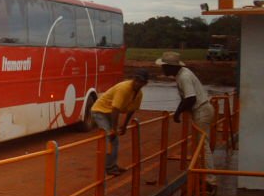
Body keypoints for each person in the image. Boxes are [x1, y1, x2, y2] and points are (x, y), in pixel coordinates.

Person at [156, 51, 216, 185]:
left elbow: (190, 98)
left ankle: (210, 180)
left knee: (202, 145)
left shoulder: (184, 77)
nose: (162, 69)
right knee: (201, 145)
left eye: (164, 66)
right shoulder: (182, 73)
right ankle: (203, 175)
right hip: (202, 109)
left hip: (201, 110)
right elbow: (188, 98)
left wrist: (177, 113)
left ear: (171, 67)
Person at [91, 69, 149, 176]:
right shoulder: (124, 88)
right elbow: (115, 109)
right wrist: (114, 128)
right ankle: (109, 167)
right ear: (133, 78)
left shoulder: (139, 94)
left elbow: (132, 110)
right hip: (100, 111)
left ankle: (112, 165)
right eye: (136, 79)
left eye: (140, 81)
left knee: (114, 140)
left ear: (145, 83)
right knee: (111, 138)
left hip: (108, 112)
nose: (137, 83)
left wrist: (124, 125)